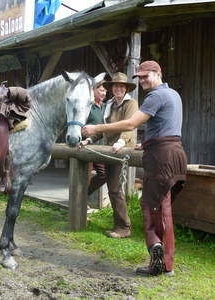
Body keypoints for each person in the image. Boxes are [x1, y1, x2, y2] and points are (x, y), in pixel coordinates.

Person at [82, 61, 187, 276]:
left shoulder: (155, 96)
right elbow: (165, 126)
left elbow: (131, 124)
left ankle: (160, 261)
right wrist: (146, 142)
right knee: (162, 208)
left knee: (152, 208)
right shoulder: (173, 94)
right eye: (139, 77)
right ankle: (166, 263)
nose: (141, 80)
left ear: (158, 73)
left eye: (145, 76)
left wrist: (95, 128)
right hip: (175, 153)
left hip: (162, 158)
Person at [82, 72, 138, 238]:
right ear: (112, 88)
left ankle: (124, 227)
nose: (118, 89)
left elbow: (130, 126)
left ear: (126, 88)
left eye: (121, 86)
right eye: (115, 86)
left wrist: (121, 142)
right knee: (109, 183)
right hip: (108, 149)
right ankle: (119, 224)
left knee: (114, 189)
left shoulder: (131, 103)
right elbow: (103, 128)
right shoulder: (110, 104)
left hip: (121, 149)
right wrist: (90, 139)